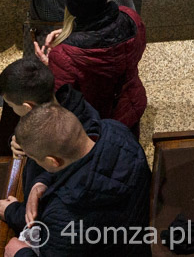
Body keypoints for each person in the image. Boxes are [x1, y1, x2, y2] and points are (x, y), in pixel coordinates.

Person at [0, 104, 150, 257]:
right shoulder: (116, 131)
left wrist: (20, 253)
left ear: (53, 161)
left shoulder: (67, 214)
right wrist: (41, 182)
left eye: (36, 160)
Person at [34, 0, 146, 131]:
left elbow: (64, 98)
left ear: (71, 8)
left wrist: (50, 63)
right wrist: (73, 34)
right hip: (131, 103)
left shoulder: (64, 55)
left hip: (96, 119)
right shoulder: (131, 17)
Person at [0, 57, 101, 231]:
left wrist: (12, 211)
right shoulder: (74, 105)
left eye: (10, 105)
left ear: (27, 107)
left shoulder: (77, 136)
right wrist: (17, 141)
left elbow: (53, 218)